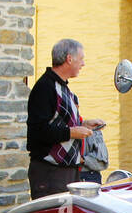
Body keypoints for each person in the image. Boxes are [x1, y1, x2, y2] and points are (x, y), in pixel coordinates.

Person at [26, 38, 106, 199]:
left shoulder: (62, 87)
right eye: (81, 59)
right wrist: (72, 132)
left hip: (65, 171)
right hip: (50, 173)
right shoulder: (45, 88)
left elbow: (57, 123)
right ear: (69, 59)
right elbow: (37, 131)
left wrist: (83, 125)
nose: (83, 64)